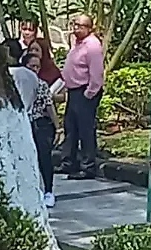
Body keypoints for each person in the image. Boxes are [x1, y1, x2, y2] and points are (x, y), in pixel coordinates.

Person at [60, 14, 105, 180]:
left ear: (89, 28)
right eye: (75, 24)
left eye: (80, 26)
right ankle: (68, 162)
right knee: (71, 128)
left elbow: (97, 73)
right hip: (73, 91)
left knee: (85, 129)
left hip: (84, 91)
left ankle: (88, 167)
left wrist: (89, 93)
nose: (76, 28)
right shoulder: (77, 44)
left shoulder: (92, 46)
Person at [23, 50, 59, 208]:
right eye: (31, 66)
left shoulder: (41, 84)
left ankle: (48, 191)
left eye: (37, 67)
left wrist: (58, 128)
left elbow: (49, 106)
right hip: (24, 124)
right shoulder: (18, 82)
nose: (35, 70)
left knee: (44, 157)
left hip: (39, 123)